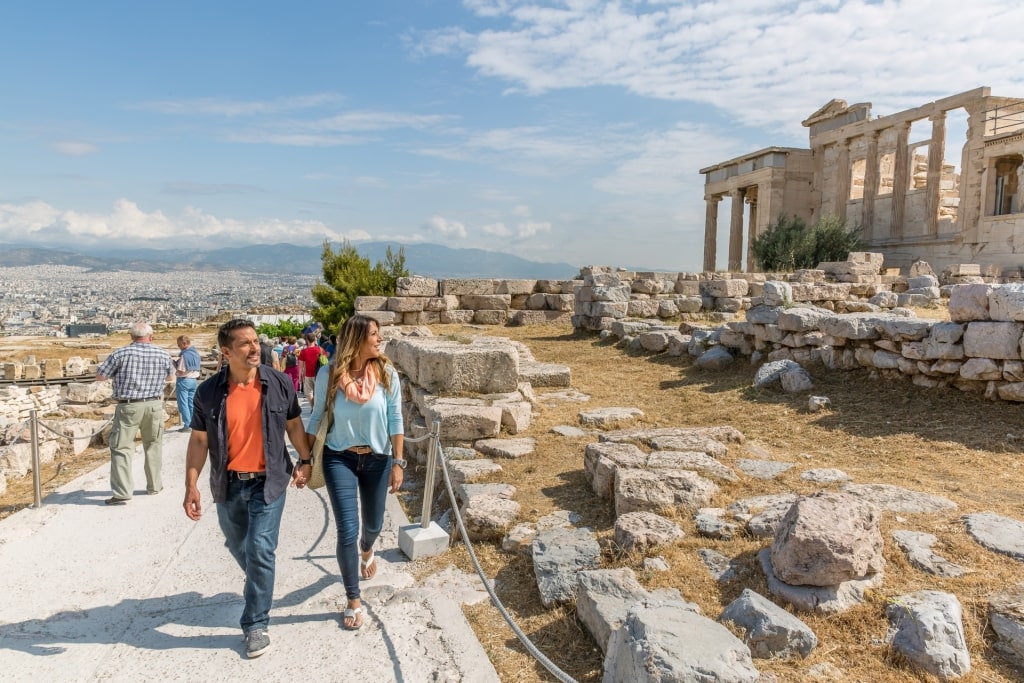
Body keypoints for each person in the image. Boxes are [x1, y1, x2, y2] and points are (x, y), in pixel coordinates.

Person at [182, 318, 313, 658]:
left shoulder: (280, 383)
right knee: (238, 544)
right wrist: (190, 485)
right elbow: (198, 441)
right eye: (245, 344)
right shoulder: (208, 393)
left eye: (256, 341)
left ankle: (255, 623)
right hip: (227, 485)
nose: (255, 348)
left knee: (259, 548)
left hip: (269, 482)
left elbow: (295, 425)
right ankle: (261, 579)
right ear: (226, 352)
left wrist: (306, 459)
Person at [306, 314, 405, 630]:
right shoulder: (330, 374)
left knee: (373, 526)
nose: (379, 339)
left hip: (378, 460)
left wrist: (399, 463)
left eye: (379, 333)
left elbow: (396, 421)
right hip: (340, 459)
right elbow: (316, 417)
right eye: (374, 334)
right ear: (357, 338)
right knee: (346, 530)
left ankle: (367, 549)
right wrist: (305, 459)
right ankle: (353, 599)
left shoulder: (386, 373)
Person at [96, 321, 175, 505]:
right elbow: (170, 377)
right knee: (154, 444)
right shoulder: (162, 353)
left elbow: (100, 376)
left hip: (129, 406)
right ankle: (154, 486)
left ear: (131, 337)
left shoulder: (121, 353)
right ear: (151, 336)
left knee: (122, 448)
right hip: (154, 405)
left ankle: (122, 491)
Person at [174, 335, 202, 433]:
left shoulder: (184, 355)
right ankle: (194, 423)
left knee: (183, 404)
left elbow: (181, 370)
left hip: (184, 380)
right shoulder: (196, 353)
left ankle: (187, 425)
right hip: (193, 380)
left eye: (179, 345)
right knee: (191, 403)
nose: (179, 347)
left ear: (184, 343)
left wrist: (174, 365)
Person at [297, 333, 325, 407]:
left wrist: (300, 377)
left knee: (308, 393)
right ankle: (317, 407)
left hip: (308, 374)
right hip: (319, 374)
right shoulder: (321, 350)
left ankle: (313, 407)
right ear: (315, 339)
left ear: (307, 340)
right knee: (318, 392)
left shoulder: (303, 351)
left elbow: (301, 366)